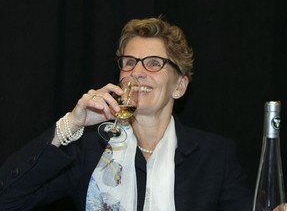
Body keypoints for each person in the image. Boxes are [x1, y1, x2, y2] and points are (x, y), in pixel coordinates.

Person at [0, 16, 253, 210]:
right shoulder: (90, 149)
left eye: (154, 63)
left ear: (180, 86)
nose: (137, 72)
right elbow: (7, 199)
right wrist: (71, 124)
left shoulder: (216, 157)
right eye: (129, 62)